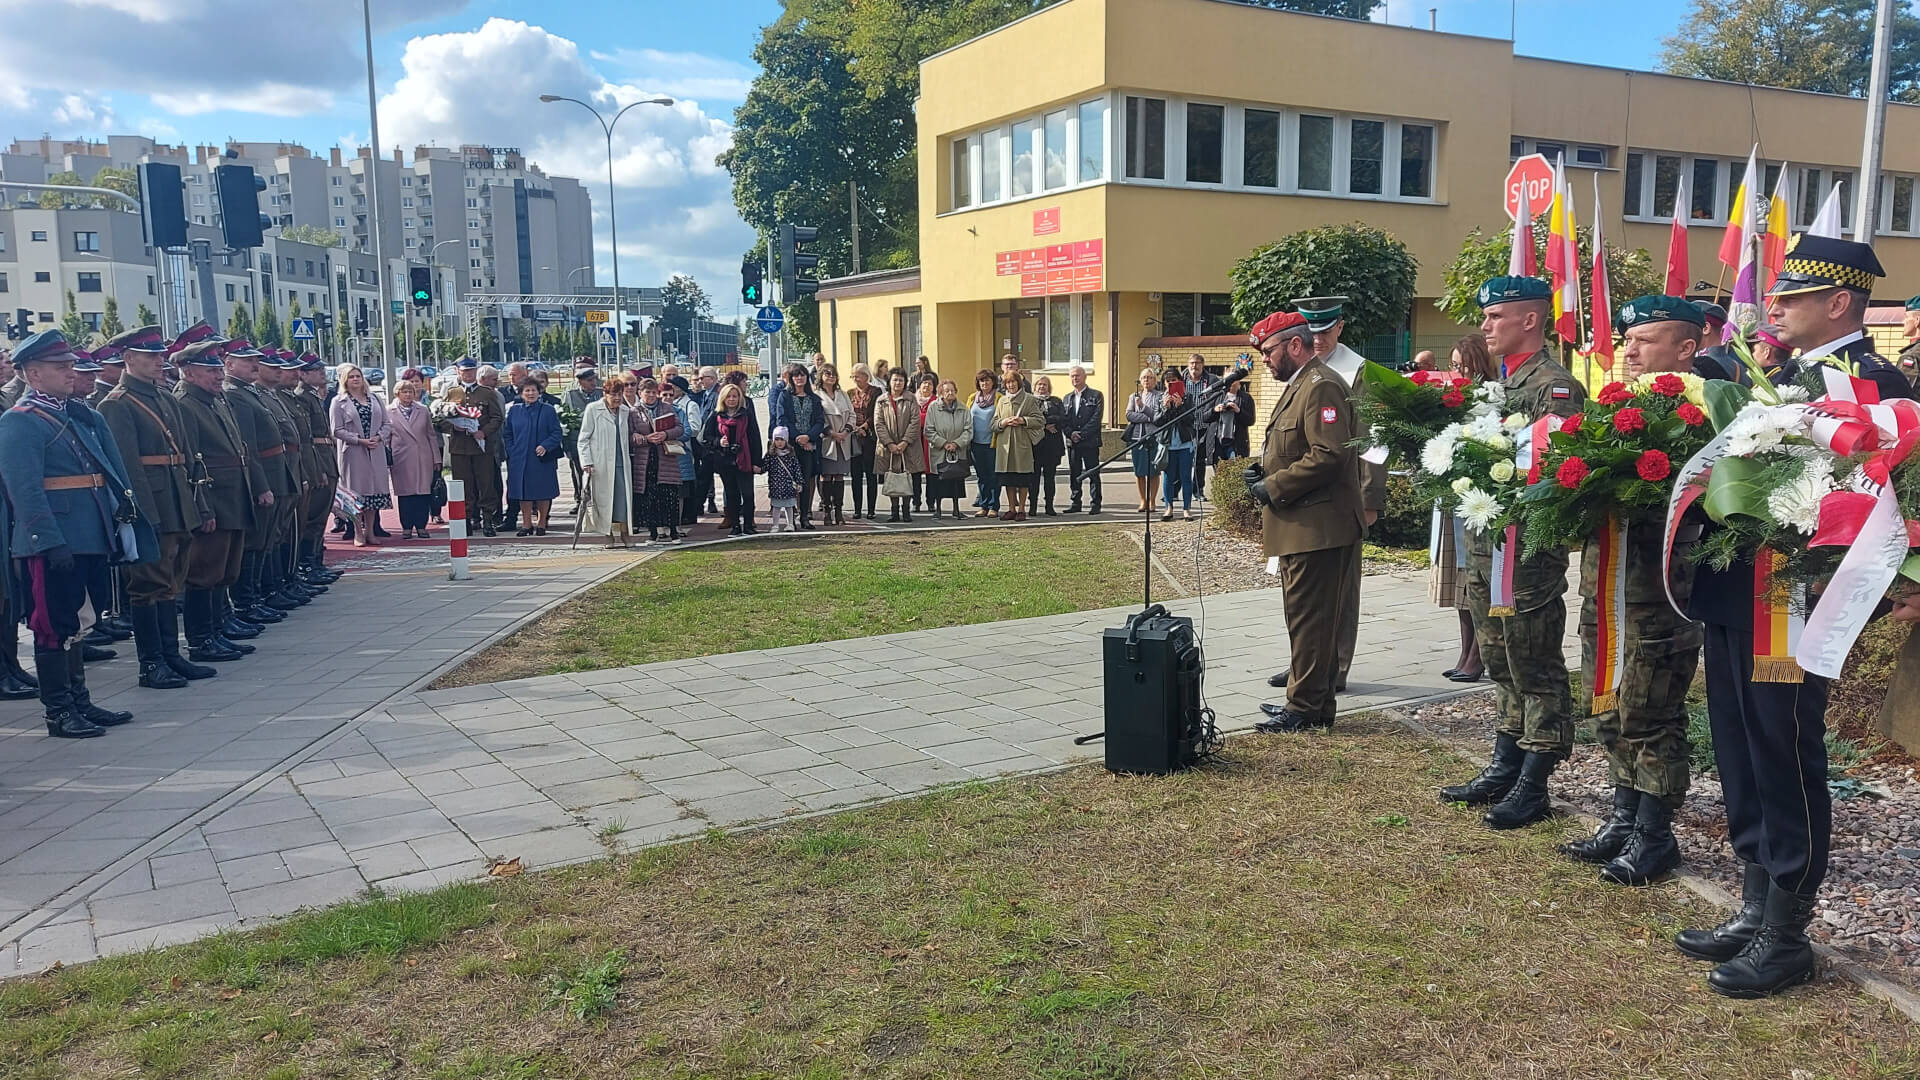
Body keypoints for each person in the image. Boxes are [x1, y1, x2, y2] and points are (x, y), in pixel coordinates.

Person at [1674, 235, 1915, 999]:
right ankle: (1755, 902)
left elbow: (1886, 498)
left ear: (1838, 303)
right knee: (1742, 745)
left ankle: (1787, 931)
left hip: (1792, 601)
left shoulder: (1870, 382)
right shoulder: (1781, 375)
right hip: (1739, 595)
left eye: (1793, 295)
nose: (1772, 304)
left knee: (1783, 749)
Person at [1560, 297, 1709, 888]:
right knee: (1608, 701)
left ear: (1686, 349)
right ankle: (1624, 817)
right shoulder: (1614, 407)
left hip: (1659, 592)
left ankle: (1656, 834)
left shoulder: (1702, 414)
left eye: (1644, 340)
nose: (1628, 350)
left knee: (1651, 710)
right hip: (1608, 586)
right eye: (1627, 339)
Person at [1436, 276, 1586, 832]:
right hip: (1487, 551)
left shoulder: (1555, 387)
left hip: (1525, 558)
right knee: (1499, 659)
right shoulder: (1497, 384)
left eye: (1496, 316)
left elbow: (1561, 477)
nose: (1485, 325)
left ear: (1530, 320)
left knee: (1533, 662)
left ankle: (1536, 777)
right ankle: (1506, 760)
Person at [0, 331, 143, 737]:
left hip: (87, 534)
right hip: (55, 539)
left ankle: (79, 700)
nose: (70, 372)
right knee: (53, 625)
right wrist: (47, 540)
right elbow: (23, 491)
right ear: (33, 373)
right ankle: (59, 712)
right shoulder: (20, 421)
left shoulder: (73, 414)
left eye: (70, 364)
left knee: (79, 622)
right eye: (60, 366)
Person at [1241, 311, 1363, 734]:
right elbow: (1296, 449)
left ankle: (1306, 708)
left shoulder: (1321, 385)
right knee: (1305, 617)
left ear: (1295, 345)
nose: (1266, 361)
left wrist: (1275, 486)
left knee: (1311, 619)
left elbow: (1329, 455)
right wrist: (1265, 473)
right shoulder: (1303, 385)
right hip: (1302, 524)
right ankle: (1309, 698)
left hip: (1318, 526)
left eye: (1270, 351)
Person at [1273, 297, 1387, 698]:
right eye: (1312, 331)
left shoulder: (1357, 371)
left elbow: (1372, 440)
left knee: (1338, 592)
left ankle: (1334, 667)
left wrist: (1371, 496)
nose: (1317, 339)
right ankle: (1304, 667)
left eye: (1325, 330)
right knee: (1309, 600)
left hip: (1343, 496)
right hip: (1306, 502)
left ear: (1339, 327)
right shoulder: (1304, 371)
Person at [95, 325, 219, 689]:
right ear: (129, 359)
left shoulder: (164, 398)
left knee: (171, 582)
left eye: (159, 356)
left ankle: (171, 654)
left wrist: (198, 503)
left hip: (179, 500)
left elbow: (187, 455)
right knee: (148, 585)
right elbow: (128, 468)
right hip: (154, 508)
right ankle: (151, 663)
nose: (157, 362)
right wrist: (144, 517)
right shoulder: (117, 404)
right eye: (149, 357)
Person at [170, 339, 258, 661]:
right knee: (203, 572)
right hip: (213, 498)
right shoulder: (185, 404)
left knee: (224, 570)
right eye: (210, 370)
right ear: (189, 373)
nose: (218, 376)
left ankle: (218, 629)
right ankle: (201, 639)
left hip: (232, 496)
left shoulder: (214, 400)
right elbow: (192, 461)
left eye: (218, 369)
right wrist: (202, 506)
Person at [222, 341, 302, 623]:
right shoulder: (235, 395)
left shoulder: (250, 393)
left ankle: (262, 595)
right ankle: (248, 602)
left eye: (256, 360)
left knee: (268, 540)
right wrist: (260, 484)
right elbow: (249, 446)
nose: (255, 365)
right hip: (265, 474)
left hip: (277, 471)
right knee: (255, 543)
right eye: (248, 361)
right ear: (229, 364)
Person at [1432, 335, 1494, 685]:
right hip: (1453, 497)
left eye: (1464, 366)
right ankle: (1465, 649)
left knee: (1475, 585)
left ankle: (1478, 656)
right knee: (1459, 585)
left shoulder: (1491, 396)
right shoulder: (1453, 397)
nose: (1458, 372)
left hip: (1478, 501)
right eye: (1454, 365)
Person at [440, 357, 504, 536]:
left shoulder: (487, 393)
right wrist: (454, 426)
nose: (468, 374)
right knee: (463, 484)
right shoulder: (452, 392)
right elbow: (440, 419)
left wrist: (484, 432)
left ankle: (488, 520)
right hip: (460, 446)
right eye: (464, 371)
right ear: (458, 372)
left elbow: (497, 418)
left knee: (486, 483)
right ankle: (466, 519)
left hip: (481, 446)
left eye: (471, 371)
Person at [293, 357, 343, 584]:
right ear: (302, 374)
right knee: (313, 518)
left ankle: (315, 563)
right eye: (315, 370)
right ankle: (308, 565)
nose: (321, 372)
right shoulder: (301, 397)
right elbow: (307, 438)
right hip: (318, 458)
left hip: (325, 455)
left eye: (322, 368)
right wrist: (316, 469)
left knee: (320, 516)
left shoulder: (312, 395)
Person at [331, 365, 392, 547]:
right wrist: (359, 440)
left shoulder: (374, 398)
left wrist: (379, 437)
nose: (356, 379)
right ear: (345, 381)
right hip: (353, 453)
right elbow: (336, 430)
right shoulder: (338, 401)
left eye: (358, 376)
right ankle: (358, 531)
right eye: (351, 377)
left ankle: (371, 531)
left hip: (375, 450)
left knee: (373, 493)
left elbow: (387, 423)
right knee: (356, 494)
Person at [576, 373, 634, 547]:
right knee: (604, 501)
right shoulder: (593, 409)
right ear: (605, 394)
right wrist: (586, 461)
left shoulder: (625, 411)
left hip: (621, 463)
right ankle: (608, 534)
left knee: (622, 501)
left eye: (619, 394)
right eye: (613, 394)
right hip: (600, 464)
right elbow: (583, 438)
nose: (617, 398)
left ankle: (625, 533)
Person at [701, 381, 762, 536]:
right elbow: (706, 438)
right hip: (725, 460)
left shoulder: (746, 415)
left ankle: (749, 525)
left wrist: (757, 462)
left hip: (745, 459)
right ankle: (735, 525)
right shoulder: (716, 416)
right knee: (732, 494)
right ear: (723, 398)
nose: (732, 399)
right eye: (729, 397)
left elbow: (755, 438)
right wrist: (718, 442)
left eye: (735, 396)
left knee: (747, 494)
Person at [503, 378, 563, 536]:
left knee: (543, 491)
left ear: (539, 391)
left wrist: (546, 445)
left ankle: (542, 522)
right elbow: (507, 433)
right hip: (520, 459)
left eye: (533, 390)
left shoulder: (548, 410)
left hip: (541, 458)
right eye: (527, 390)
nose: (530, 393)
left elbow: (556, 433)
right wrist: (512, 449)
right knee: (523, 492)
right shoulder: (515, 410)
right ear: (521, 393)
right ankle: (526, 524)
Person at [768, 363, 825, 529]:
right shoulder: (784, 396)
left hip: (808, 446)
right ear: (791, 378)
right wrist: (798, 438)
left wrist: (808, 437)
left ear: (807, 378)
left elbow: (820, 421)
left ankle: (805, 516)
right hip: (789, 447)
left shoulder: (814, 399)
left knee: (805, 481)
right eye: (796, 376)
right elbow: (782, 419)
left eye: (802, 375)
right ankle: (790, 519)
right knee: (788, 481)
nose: (799, 378)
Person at [630, 379, 684, 544]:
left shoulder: (666, 408)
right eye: (647, 392)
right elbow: (630, 436)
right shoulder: (633, 412)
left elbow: (680, 428)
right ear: (640, 393)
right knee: (649, 497)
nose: (651, 395)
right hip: (645, 460)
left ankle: (674, 531)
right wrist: (645, 439)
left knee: (669, 495)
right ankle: (653, 533)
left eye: (654, 392)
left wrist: (665, 434)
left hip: (665, 457)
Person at [387, 378, 438, 539]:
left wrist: (436, 458)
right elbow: (386, 436)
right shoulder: (389, 410)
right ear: (397, 393)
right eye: (404, 391)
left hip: (422, 456)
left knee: (422, 493)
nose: (408, 394)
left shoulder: (422, 410)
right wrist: (387, 457)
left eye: (411, 391)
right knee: (405, 494)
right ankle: (407, 527)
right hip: (401, 457)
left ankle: (421, 526)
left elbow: (431, 435)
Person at [992, 369, 1044, 522]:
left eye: (1013, 382)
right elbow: (993, 424)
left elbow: (1040, 420)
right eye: (1008, 382)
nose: (1011, 385)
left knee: (1022, 479)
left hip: (1022, 445)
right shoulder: (1001, 401)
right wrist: (1003, 422)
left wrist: (1023, 420)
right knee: (1008, 479)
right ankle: (1011, 509)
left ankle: (1021, 509)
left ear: (1019, 383)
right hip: (1005, 447)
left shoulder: (1029, 399)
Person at [873, 368, 924, 523]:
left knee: (907, 478)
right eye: (895, 379)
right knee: (892, 478)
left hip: (908, 446)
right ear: (889, 381)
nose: (898, 383)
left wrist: (904, 442)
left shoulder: (911, 399)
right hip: (888, 447)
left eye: (901, 380)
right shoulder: (881, 400)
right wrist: (889, 443)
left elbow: (915, 421)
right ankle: (894, 511)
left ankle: (906, 511)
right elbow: (878, 423)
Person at [923, 378, 971, 519]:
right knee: (939, 481)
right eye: (946, 391)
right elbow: (929, 430)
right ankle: (938, 509)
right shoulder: (933, 408)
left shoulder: (963, 408)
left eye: (952, 390)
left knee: (956, 480)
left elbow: (968, 430)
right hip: (939, 451)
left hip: (957, 450)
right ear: (941, 393)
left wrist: (956, 443)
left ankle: (956, 509)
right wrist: (944, 443)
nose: (950, 393)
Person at [1060, 364, 1104, 515]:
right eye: (1072, 376)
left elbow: (1096, 419)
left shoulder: (1096, 395)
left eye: (1077, 375)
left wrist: (1081, 434)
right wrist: (1070, 433)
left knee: (1093, 472)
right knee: (1074, 473)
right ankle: (1075, 501)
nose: (1075, 378)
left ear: (1085, 377)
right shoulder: (1066, 398)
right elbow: (1063, 420)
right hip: (1073, 443)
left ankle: (1095, 503)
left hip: (1090, 441)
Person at [1180, 354, 1222, 506]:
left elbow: (1218, 398)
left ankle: (1198, 491)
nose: (1194, 366)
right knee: (1181, 460)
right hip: (1185, 426)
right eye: (1191, 363)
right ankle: (1175, 491)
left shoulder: (1211, 381)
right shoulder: (1181, 380)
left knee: (1199, 460)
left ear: (1203, 365)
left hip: (1205, 425)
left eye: (1197, 363)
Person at [1156, 373, 1197, 521]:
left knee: (1186, 476)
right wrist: (1166, 408)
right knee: (1168, 477)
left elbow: (1191, 419)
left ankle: (1187, 509)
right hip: (1168, 444)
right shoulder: (1160, 398)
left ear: (1180, 381)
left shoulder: (1188, 398)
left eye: (1173, 380)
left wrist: (1180, 406)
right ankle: (1169, 508)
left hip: (1185, 443)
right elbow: (1157, 421)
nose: (1170, 383)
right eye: (1167, 381)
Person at [817, 364, 854, 525]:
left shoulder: (843, 394)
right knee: (826, 476)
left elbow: (852, 415)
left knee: (839, 476)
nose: (831, 377)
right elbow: (817, 418)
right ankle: (826, 511)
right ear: (821, 376)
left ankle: (839, 511)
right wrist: (832, 433)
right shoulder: (816, 394)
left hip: (843, 441)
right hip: (828, 440)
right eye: (827, 374)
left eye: (833, 374)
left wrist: (845, 432)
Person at [662, 376, 701, 527]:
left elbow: (689, 430)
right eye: (664, 394)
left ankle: (676, 524)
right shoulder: (654, 410)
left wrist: (668, 436)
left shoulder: (684, 408)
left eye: (670, 394)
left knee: (681, 491)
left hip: (680, 453)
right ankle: (663, 525)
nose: (668, 398)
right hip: (662, 456)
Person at [1124, 369, 1165, 512]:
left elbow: (1157, 416)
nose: (1147, 380)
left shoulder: (1160, 396)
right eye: (1144, 378)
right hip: (1137, 437)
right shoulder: (1133, 396)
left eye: (1150, 377)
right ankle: (1143, 500)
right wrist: (1147, 417)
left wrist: (1142, 408)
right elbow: (1129, 415)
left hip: (1153, 437)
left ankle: (1152, 501)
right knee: (1139, 471)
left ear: (1155, 380)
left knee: (1153, 471)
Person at [1029, 374, 1066, 516]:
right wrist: (1045, 425)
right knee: (1034, 478)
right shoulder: (1030, 401)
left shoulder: (1056, 401)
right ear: (1035, 386)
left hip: (1052, 445)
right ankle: (1032, 506)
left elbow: (1062, 417)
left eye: (1044, 384)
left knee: (1050, 478)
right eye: (1039, 384)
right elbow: (1031, 419)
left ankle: (1049, 505)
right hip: (1036, 445)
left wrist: (1047, 421)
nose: (1042, 387)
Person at [562, 363, 598, 510]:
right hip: (577, 441)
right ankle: (580, 500)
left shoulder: (600, 394)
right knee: (578, 471)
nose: (593, 383)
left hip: (597, 440)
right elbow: (565, 419)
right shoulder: (570, 395)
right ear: (580, 381)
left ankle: (596, 500)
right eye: (589, 381)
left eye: (594, 379)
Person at [968, 369, 1001, 517]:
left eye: (987, 380)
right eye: (982, 380)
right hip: (976, 444)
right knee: (981, 476)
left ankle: (994, 506)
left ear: (993, 382)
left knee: (993, 476)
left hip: (993, 444)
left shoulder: (999, 398)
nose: (985, 383)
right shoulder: (972, 398)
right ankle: (984, 505)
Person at [848, 364, 879, 520]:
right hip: (854, 438)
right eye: (853, 376)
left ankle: (871, 509)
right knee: (856, 476)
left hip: (870, 438)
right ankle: (857, 509)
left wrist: (865, 427)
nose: (855, 379)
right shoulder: (849, 393)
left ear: (866, 376)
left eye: (858, 375)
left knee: (871, 475)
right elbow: (847, 413)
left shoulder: (875, 392)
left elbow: (876, 413)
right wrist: (854, 427)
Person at [765, 426, 804, 532]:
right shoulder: (771, 455)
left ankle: (790, 524)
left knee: (789, 506)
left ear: (786, 440)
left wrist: (799, 482)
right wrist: (758, 469)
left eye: (782, 439)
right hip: (775, 485)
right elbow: (765, 466)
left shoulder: (791, 455)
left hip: (788, 485)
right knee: (776, 507)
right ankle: (775, 525)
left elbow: (796, 469)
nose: (779, 442)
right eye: (777, 439)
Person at [912, 376, 937, 511]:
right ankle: (916, 501)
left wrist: (920, 419)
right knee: (915, 472)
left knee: (931, 473)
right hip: (914, 439)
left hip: (930, 440)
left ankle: (931, 501)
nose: (926, 386)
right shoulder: (912, 399)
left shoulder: (936, 401)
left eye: (930, 384)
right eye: (924, 383)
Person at [1901, 296, 1920, 386]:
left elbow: (1904, 392)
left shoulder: (1912, 355)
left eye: (1906, 317)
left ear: (1917, 320)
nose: (1903, 321)